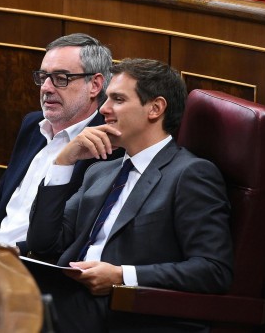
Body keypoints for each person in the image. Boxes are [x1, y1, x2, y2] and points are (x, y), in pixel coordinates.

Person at [26, 58, 233, 332]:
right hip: (69, 297)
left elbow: (213, 269)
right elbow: (42, 243)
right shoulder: (100, 172)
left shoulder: (190, 174)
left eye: (118, 99)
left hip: (129, 313)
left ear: (155, 108)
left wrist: (122, 275)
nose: (104, 109)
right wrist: (64, 162)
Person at [0, 33, 122, 267]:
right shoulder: (33, 126)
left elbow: (74, 234)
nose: (47, 88)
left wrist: (6, 252)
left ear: (95, 85)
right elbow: (0, 199)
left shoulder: (106, 146)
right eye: (43, 77)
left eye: (61, 78)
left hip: (28, 267)